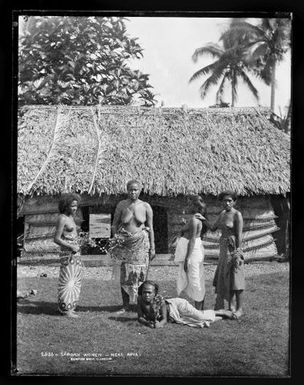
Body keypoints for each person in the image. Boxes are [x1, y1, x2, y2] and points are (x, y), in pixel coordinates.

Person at [110, 180, 155, 313]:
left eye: (135, 190)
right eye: (131, 189)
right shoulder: (122, 205)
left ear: (140, 190)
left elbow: (151, 228)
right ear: (127, 190)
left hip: (141, 244)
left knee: (141, 274)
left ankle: (141, 305)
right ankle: (126, 305)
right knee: (125, 275)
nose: (133, 192)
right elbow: (114, 224)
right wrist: (116, 239)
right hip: (125, 244)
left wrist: (153, 247)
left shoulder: (146, 206)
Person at [199, 191, 244, 319]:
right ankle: (231, 306)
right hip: (223, 250)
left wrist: (238, 253)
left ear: (234, 202)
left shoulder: (237, 215)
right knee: (225, 277)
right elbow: (213, 228)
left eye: (230, 200)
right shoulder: (223, 214)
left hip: (233, 248)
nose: (227, 203)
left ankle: (239, 309)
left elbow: (239, 235)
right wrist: (203, 219)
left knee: (236, 277)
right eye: (225, 200)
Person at [137, 280, 234, 329]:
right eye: (144, 292)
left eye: (149, 292)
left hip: (177, 306)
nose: (146, 295)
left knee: (199, 316)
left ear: (155, 294)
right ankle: (221, 317)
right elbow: (140, 317)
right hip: (174, 316)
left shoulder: (160, 301)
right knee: (196, 323)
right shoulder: (140, 300)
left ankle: (220, 312)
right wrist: (147, 323)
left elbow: (164, 319)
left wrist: (160, 324)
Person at [174, 195, 208, 310]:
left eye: (189, 204)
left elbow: (192, 240)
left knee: (195, 279)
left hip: (192, 253)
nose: (187, 207)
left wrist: (187, 259)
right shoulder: (194, 219)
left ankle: (199, 310)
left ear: (194, 206)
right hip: (191, 252)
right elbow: (185, 232)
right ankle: (198, 308)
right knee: (194, 278)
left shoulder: (194, 220)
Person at [54, 193, 83, 318]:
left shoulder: (71, 217)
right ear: (66, 206)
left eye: (76, 206)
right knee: (68, 280)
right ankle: (66, 310)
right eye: (72, 206)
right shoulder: (62, 218)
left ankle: (70, 306)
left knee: (75, 280)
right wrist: (71, 246)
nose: (75, 208)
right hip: (67, 254)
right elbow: (56, 238)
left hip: (75, 254)